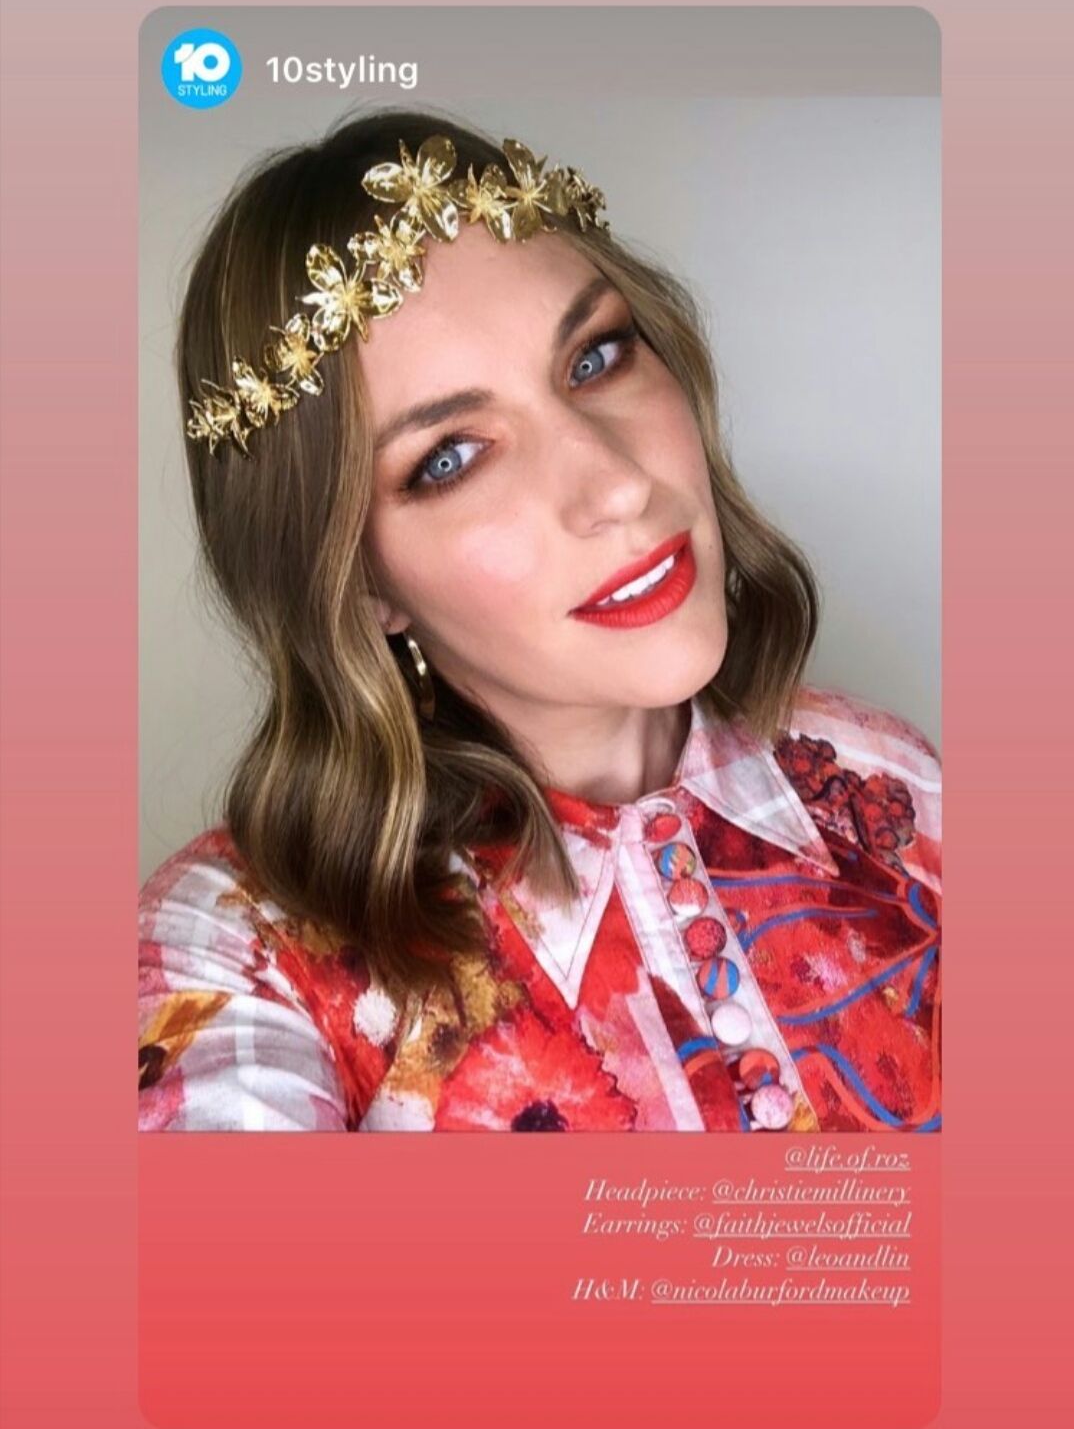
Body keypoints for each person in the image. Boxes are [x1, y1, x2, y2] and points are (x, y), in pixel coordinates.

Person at [139, 107, 941, 1134]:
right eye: (450, 458)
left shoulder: (890, 783)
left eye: (597, 358)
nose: (617, 485)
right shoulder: (238, 956)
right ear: (357, 581)